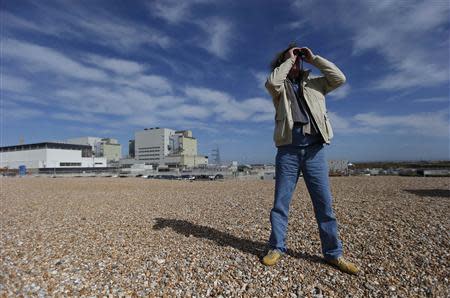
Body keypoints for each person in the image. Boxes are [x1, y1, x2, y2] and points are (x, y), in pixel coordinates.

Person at [262, 42, 359, 275]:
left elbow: (340, 78)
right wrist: (288, 58)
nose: (296, 61)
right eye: (292, 59)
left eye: (298, 58)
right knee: (280, 205)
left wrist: (314, 58)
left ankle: (334, 254)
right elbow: (271, 82)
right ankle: (276, 247)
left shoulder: (316, 84)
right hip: (288, 151)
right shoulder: (280, 88)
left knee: (324, 205)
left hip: (315, 150)